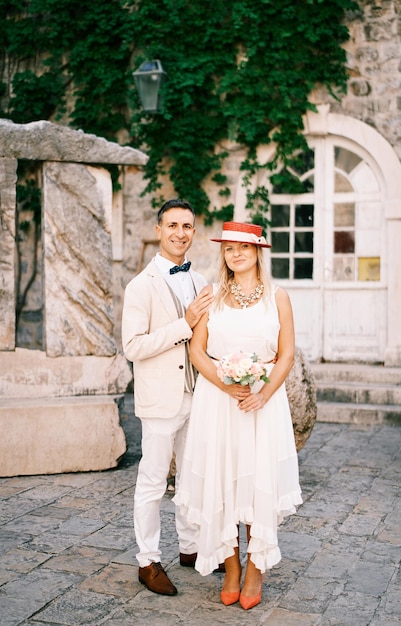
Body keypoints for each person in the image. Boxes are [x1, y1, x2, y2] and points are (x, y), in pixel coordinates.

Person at [174, 221, 302, 610]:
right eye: (229, 248)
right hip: (219, 400)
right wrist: (226, 385)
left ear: (258, 251)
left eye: (244, 247)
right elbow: (198, 352)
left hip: (262, 404)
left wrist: (262, 394)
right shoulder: (210, 295)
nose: (236, 254)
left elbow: (287, 354)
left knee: (255, 480)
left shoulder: (278, 297)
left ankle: (255, 568)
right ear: (224, 255)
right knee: (223, 481)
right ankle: (229, 567)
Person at [121, 198, 214, 596]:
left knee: (192, 477)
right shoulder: (140, 286)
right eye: (172, 225)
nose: (180, 233)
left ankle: (191, 548)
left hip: (198, 396)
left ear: (194, 231)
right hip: (160, 399)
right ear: (159, 230)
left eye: (187, 226)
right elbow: (133, 346)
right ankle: (148, 560)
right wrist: (184, 324)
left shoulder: (199, 280)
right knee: (154, 481)